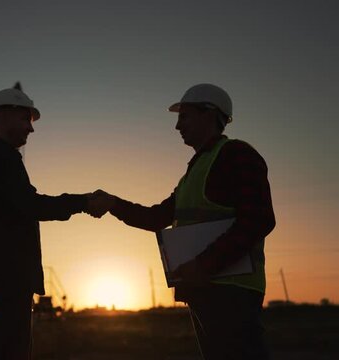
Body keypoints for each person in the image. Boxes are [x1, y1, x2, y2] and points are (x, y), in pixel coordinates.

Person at [94, 84, 276, 359]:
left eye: (185, 116)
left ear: (210, 115)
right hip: (204, 289)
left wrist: (204, 264)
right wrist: (113, 204)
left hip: (232, 291)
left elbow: (259, 219)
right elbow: (156, 217)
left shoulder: (236, 155)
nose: (177, 126)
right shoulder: (194, 170)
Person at [0, 88, 104, 359]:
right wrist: (84, 202)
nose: (31, 129)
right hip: (9, 271)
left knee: (9, 348)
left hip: (5, 271)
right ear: (4, 116)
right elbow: (32, 205)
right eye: (25, 119)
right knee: (12, 351)